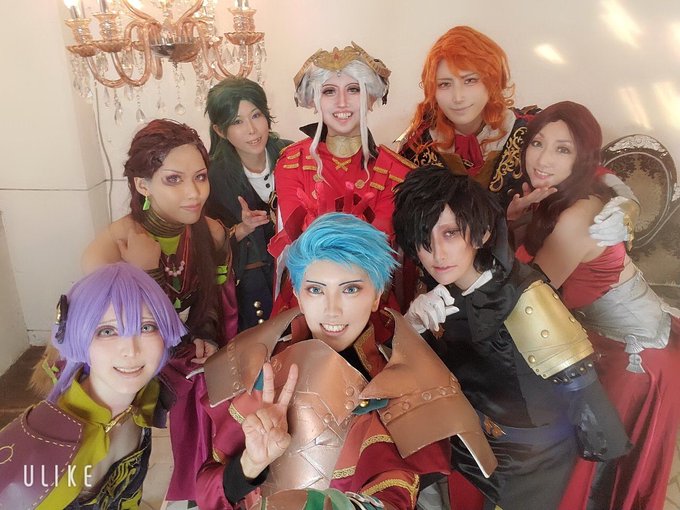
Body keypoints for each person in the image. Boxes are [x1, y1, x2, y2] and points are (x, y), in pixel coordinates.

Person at [194, 213, 497, 510]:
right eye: (316, 290)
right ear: (298, 294)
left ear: (376, 296)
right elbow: (209, 492)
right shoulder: (260, 368)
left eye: (350, 289)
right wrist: (249, 465)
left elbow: (395, 495)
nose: (332, 310)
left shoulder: (399, 385)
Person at [393, 167, 629, 510]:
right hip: (465, 441)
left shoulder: (527, 299)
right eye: (424, 240)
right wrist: (412, 326)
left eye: (451, 233)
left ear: (483, 232)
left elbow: (586, 396)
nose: (438, 254)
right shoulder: (436, 291)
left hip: (531, 461)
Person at [512, 101, 680, 510]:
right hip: (598, 339)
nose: (543, 159)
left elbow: (521, 296)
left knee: (597, 475)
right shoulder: (562, 192)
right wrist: (514, 215)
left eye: (562, 149)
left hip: (636, 356)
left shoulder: (577, 216)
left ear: (581, 156)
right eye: (537, 143)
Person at [79, 118, 239, 501]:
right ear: (142, 185)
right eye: (173, 180)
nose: (193, 193)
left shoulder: (211, 232)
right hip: (125, 360)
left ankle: (208, 488)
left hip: (183, 349)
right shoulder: (109, 249)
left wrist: (206, 333)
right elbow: (116, 335)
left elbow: (218, 299)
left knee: (224, 381)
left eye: (200, 177)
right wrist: (145, 273)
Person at [400, 25, 638, 247]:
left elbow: (592, 170)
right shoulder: (417, 149)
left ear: (492, 81)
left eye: (470, 80)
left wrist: (627, 206)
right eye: (444, 84)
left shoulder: (530, 131)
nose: (458, 97)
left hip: (533, 263)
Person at [0, 263, 185, 509]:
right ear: (80, 337)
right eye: (107, 331)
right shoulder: (42, 445)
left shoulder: (146, 397)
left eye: (146, 327)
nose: (131, 350)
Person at [269, 42, 414, 267]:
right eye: (329, 91)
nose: (342, 102)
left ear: (371, 98)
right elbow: (298, 242)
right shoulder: (292, 163)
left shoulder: (396, 173)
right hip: (308, 282)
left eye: (353, 89)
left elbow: (379, 249)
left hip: (372, 283)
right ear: (315, 101)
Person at [205, 77, 292, 330]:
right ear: (220, 131)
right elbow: (206, 248)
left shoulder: (292, 155)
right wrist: (241, 229)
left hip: (297, 273)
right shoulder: (213, 178)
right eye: (237, 122)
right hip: (252, 288)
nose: (252, 130)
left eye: (256, 115)